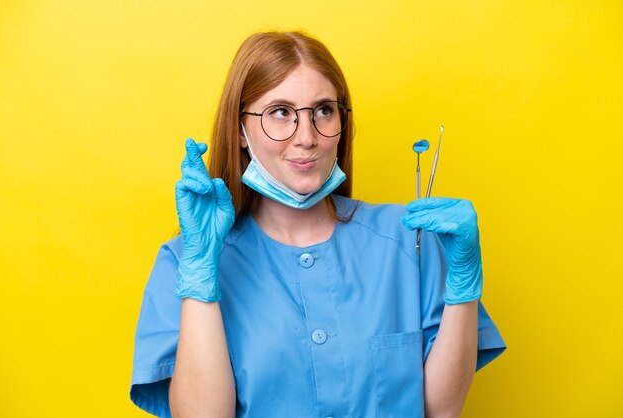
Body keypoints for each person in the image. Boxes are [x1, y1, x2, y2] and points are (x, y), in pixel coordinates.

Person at [130, 31, 506, 418]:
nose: (307, 138)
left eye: (323, 110)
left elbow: (439, 410)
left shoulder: (409, 239)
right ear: (240, 130)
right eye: (280, 112)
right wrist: (200, 277)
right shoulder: (185, 262)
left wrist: (463, 289)